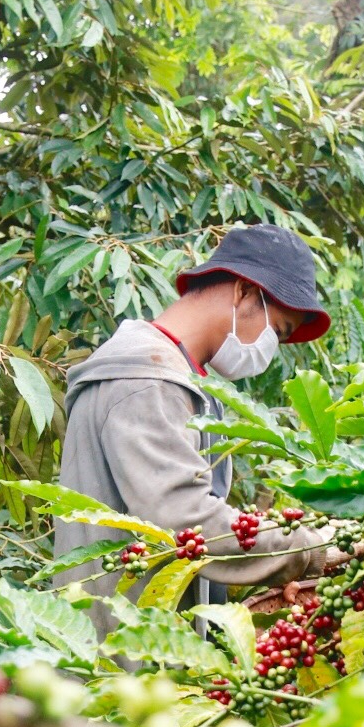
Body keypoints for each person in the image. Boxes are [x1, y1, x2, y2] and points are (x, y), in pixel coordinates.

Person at [56, 224, 341, 637]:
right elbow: (189, 524)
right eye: (277, 332)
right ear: (244, 291)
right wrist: (312, 549)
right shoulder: (146, 382)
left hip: (136, 647)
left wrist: (271, 571)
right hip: (121, 665)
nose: (270, 349)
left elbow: (180, 536)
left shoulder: (172, 378)